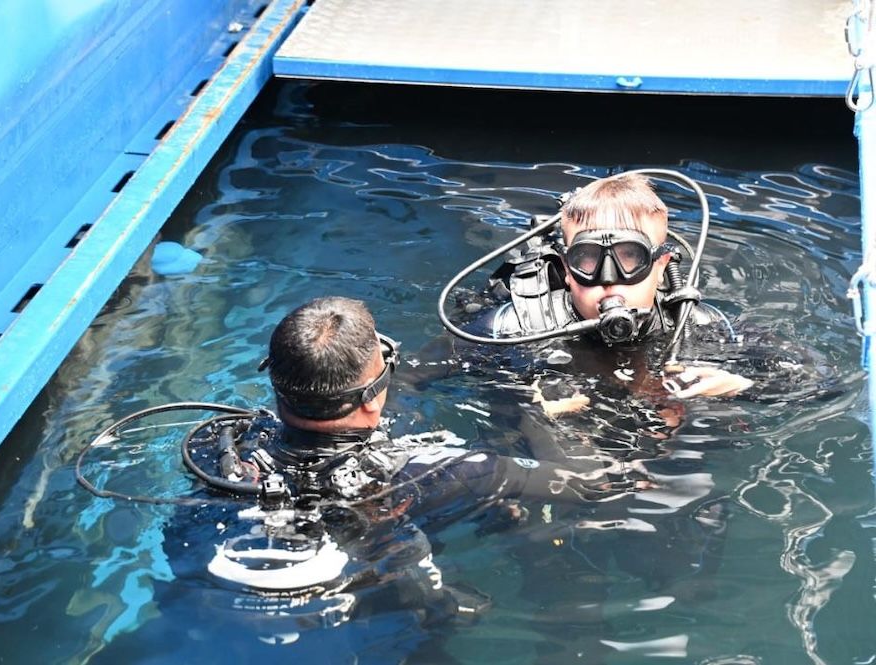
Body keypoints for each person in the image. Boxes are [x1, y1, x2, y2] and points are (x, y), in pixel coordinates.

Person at [83, 296, 642, 663]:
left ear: (277, 387)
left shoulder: (217, 445)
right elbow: (598, 481)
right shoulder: (448, 472)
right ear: (375, 401)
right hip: (366, 629)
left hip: (206, 620)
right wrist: (529, 407)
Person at [456, 172, 753, 414]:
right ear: (567, 269)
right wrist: (522, 400)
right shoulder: (514, 327)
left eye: (629, 258)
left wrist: (742, 386)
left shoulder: (695, 324)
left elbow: (796, 382)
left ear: (661, 266)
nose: (609, 282)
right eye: (588, 260)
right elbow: (417, 377)